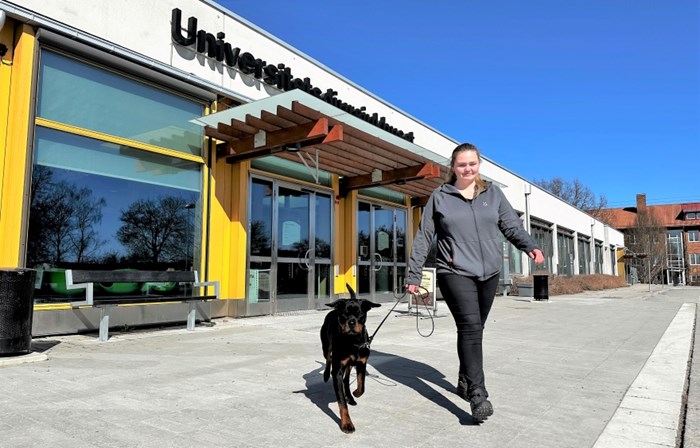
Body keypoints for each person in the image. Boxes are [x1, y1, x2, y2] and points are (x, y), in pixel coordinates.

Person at [405, 143, 544, 422]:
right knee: (470, 328)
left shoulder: (492, 194)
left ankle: (465, 379)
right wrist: (413, 274)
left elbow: (510, 225)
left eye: (472, 164)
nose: (467, 169)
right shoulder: (440, 196)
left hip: (489, 273)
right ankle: (478, 394)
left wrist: (528, 245)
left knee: (474, 330)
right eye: (461, 165)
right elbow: (424, 236)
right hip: (454, 271)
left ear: (478, 164)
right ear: (453, 167)